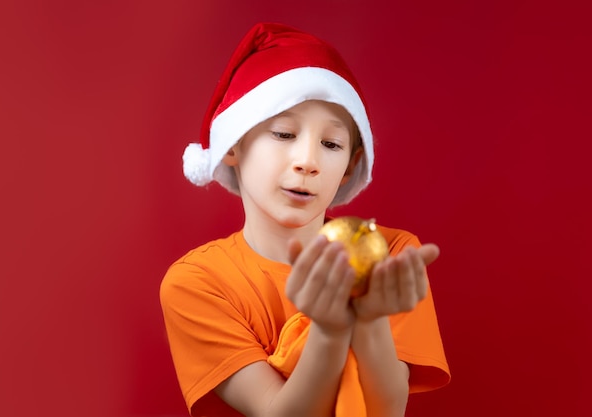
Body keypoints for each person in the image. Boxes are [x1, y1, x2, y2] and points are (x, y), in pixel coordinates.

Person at [160, 22, 450, 417]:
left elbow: (386, 410)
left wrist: (370, 320)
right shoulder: (197, 283)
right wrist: (330, 331)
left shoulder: (390, 257)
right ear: (233, 146)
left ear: (348, 168)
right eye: (283, 134)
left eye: (331, 144)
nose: (308, 162)